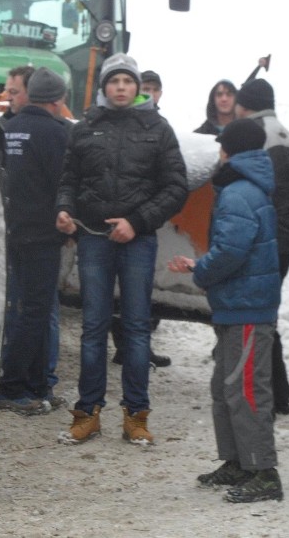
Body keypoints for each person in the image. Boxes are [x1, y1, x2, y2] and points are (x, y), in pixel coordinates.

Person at [55, 53, 187, 445]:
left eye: (128, 81)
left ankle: (136, 416)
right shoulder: (85, 128)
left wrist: (138, 221)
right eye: (114, 81)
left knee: (135, 328)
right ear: (105, 87)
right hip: (94, 237)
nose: (121, 88)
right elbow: (69, 179)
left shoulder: (158, 128)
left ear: (137, 87)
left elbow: (175, 187)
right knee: (93, 328)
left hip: (137, 240)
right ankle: (88, 414)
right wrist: (64, 209)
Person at [168, 117, 283, 503]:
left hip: (248, 308)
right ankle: (238, 461)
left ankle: (263, 473)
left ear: (228, 150)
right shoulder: (244, 188)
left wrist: (201, 269)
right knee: (227, 388)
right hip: (239, 305)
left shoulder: (238, 192)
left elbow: (232, 251)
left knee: (246, 390)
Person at [0, 67, 70, 415]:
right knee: (36, 312)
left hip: (8, 233)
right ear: (59, 99)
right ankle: (13, 387)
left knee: (22, 310)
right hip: (42, 234)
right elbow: (63, 183)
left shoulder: (5, 130)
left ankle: (38, 386)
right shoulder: (57, 134)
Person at [234, 78, 289, 416]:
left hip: (268, 238)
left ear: (245, 105)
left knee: (259, 318)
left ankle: (272, 395)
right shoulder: (287, 134)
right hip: (287, 237)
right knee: (266, 315)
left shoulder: (255, 134)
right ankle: (280, 392)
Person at [111, 67, 171, 369]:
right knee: (114, 296)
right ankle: (124, 347)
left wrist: (144, 216)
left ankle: (140, 351)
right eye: (144, 87)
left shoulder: (161, 127)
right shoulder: (110, 120)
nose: (148, 93)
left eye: (153, 88)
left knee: (141, 294)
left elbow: (171, 180)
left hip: (143, 223)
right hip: (110, 223)